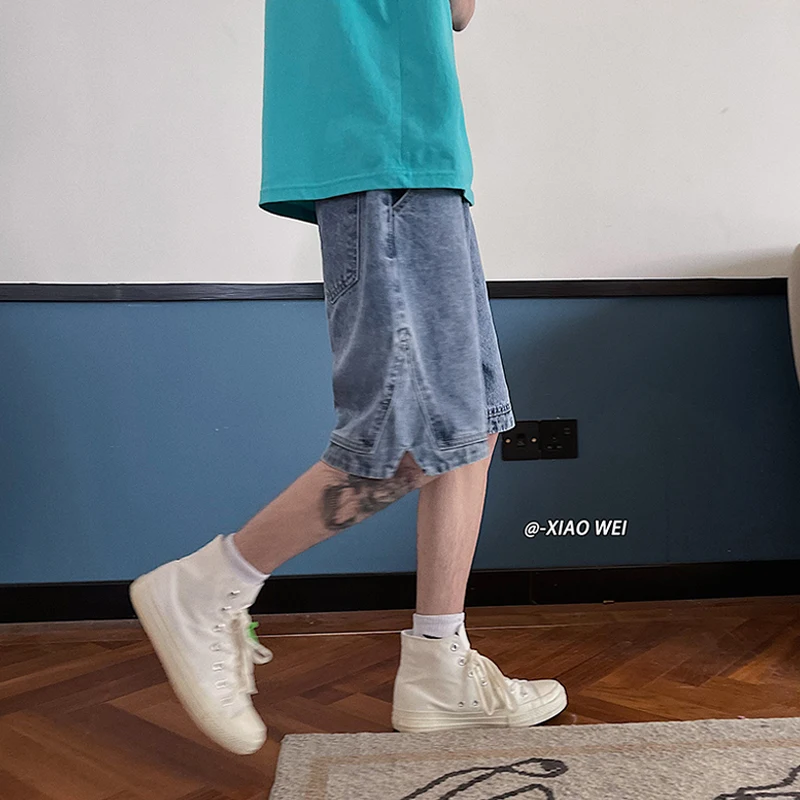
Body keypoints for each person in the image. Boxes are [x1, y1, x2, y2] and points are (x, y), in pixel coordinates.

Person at [129, 0, 567, 755]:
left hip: (401, 145)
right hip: (388, 136)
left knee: (470, 428)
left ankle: (439, 666)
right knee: (412, 439)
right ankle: (208, 586)